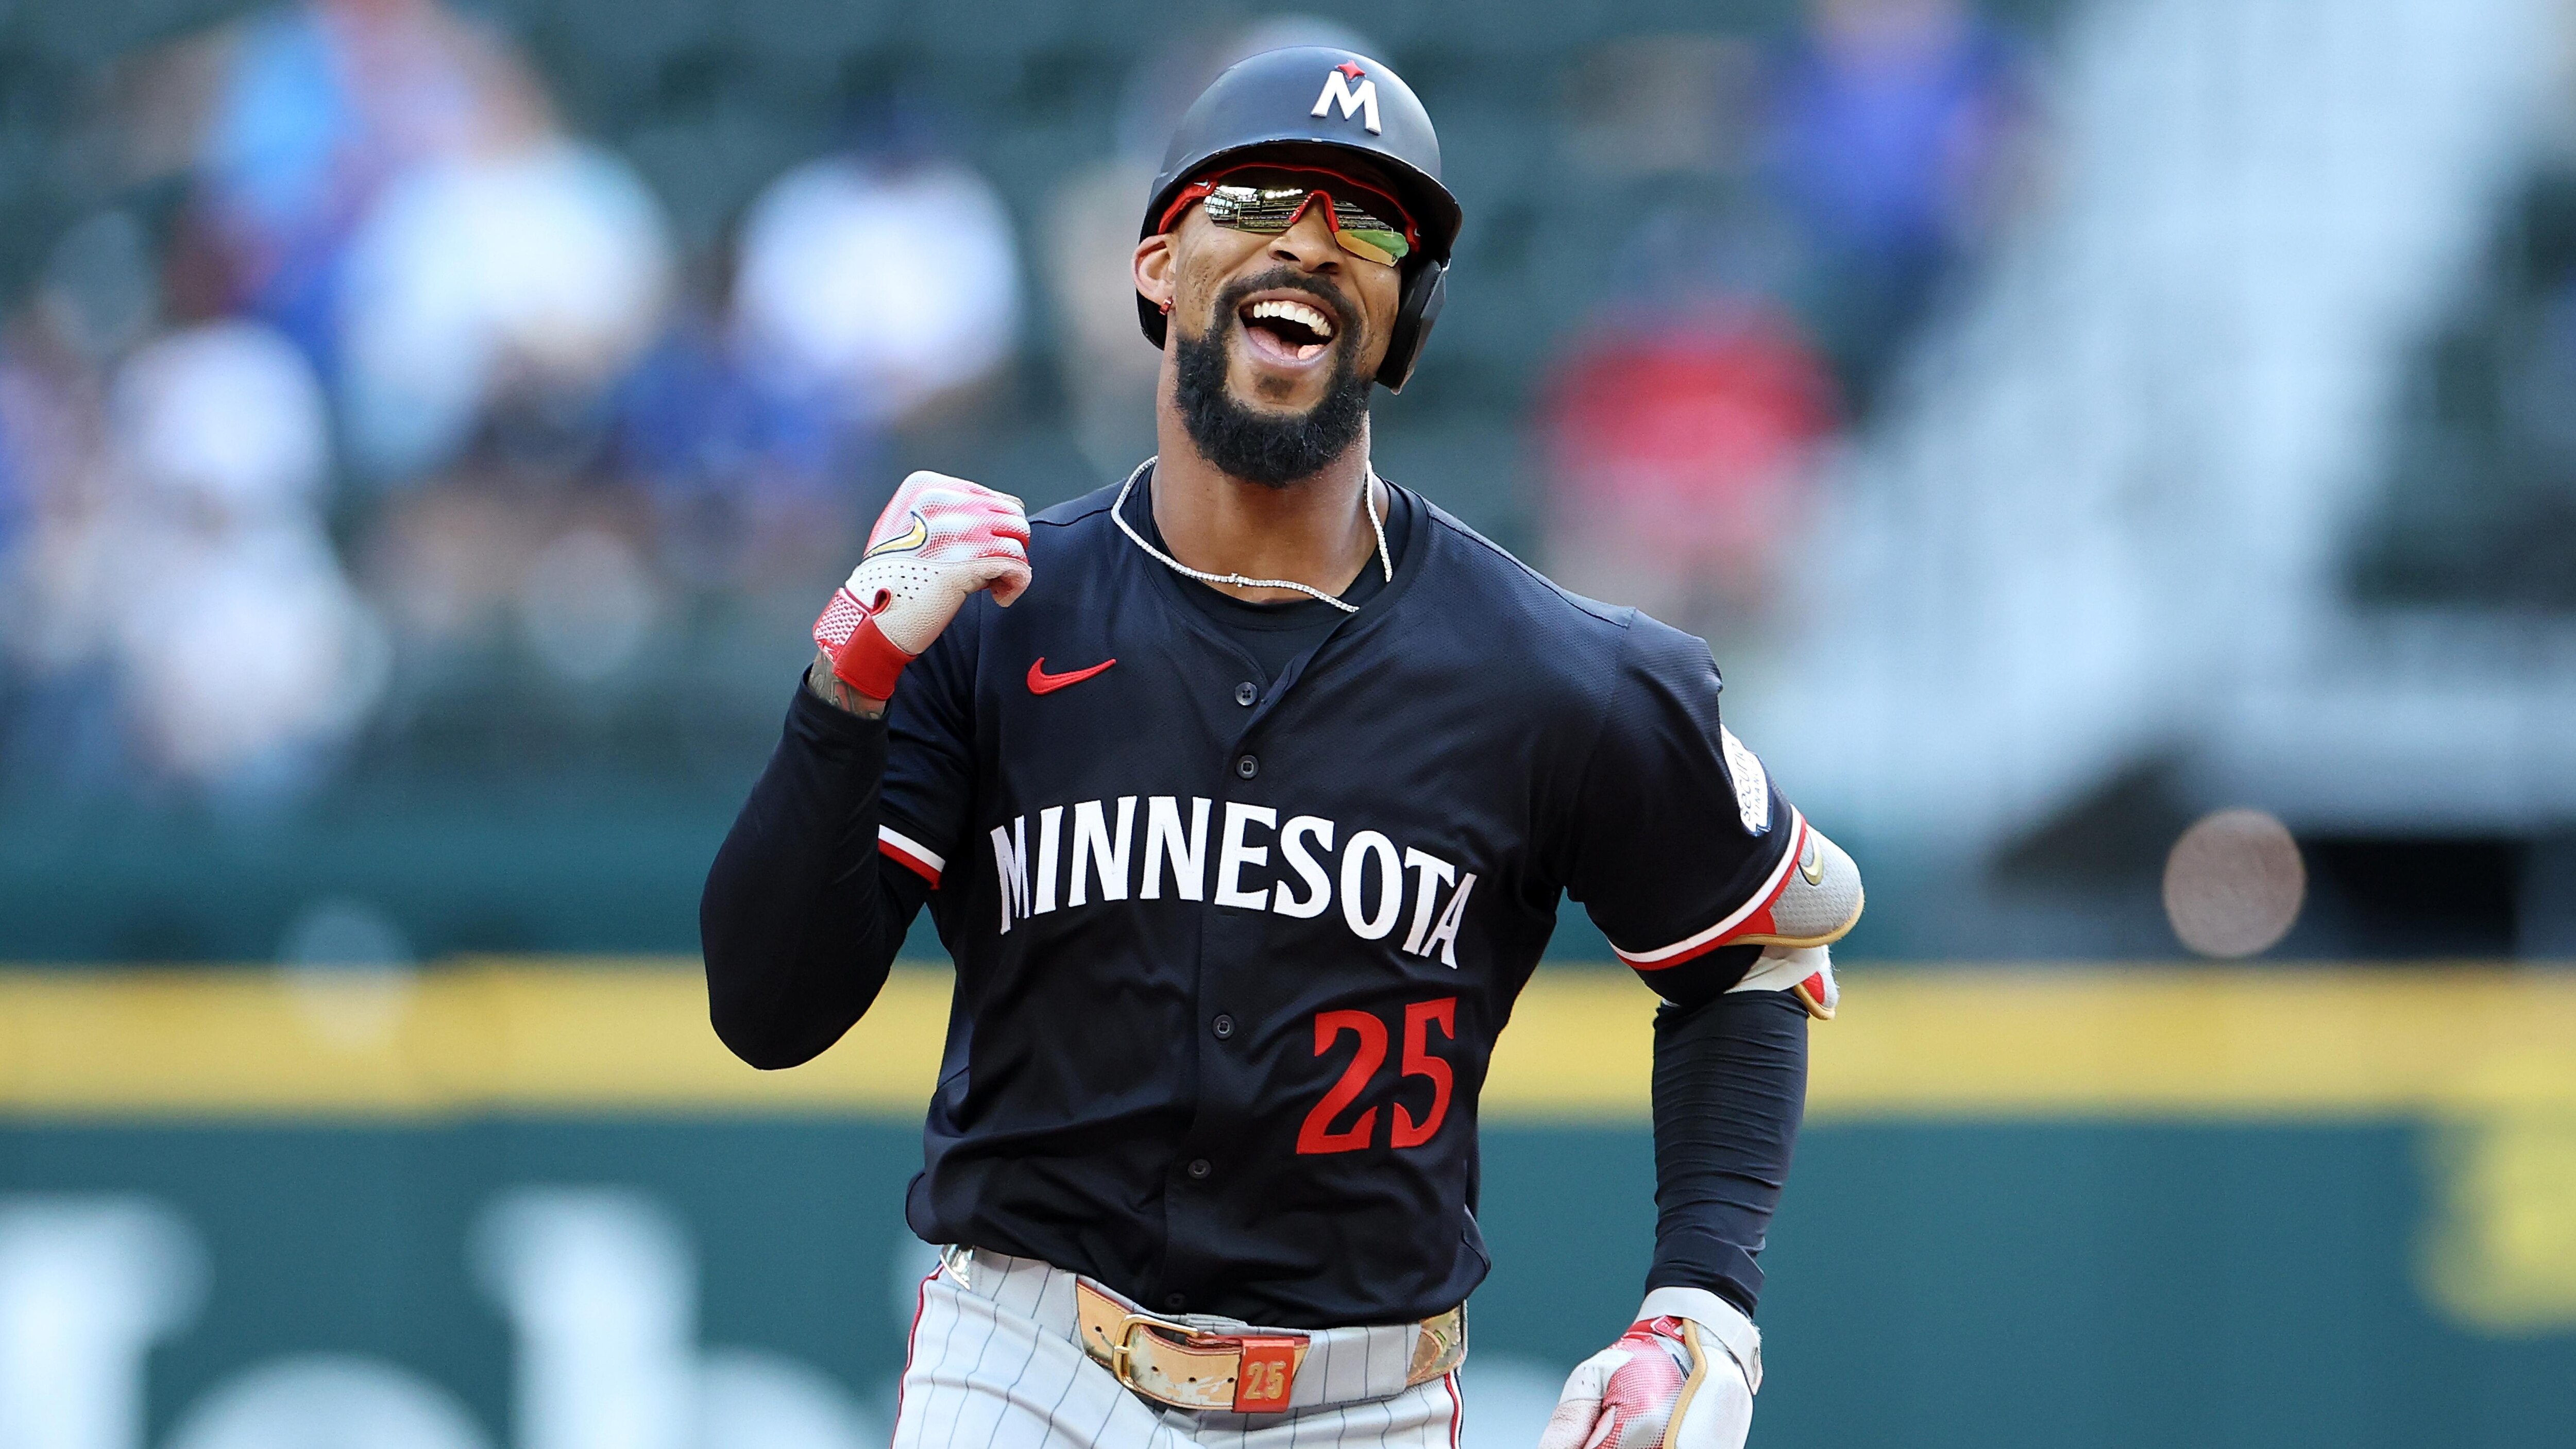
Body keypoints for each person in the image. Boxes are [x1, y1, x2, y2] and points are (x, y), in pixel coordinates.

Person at [700, 45, 1863, 1449]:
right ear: (1156, 265)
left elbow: (1757, 955)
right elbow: (770, 1013)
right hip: (1029, 1359)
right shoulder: (995, 610)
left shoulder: (1551, 670)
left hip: (1363, 1399)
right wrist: (843, 691)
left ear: (1404, 319)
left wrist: (1703, 1307)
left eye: (1369, 222)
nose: (1309, 240)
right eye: (1258, 196)